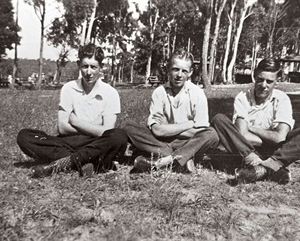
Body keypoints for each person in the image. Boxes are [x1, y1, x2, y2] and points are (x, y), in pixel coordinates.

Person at [17, 43, 128, 178]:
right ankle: (88, 161)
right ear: (78, 65)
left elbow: (107, 131)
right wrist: (95, 126)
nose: (89, 72)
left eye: (93, 67)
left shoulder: (110, 93)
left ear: (100, 67)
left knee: (119, 136)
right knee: (24, 136)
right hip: (69, 142)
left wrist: (75, 120)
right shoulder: (68, 88)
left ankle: (63, 163)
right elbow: (63, 128)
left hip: (96, 143)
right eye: (85, 66)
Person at [211, 58, 300, 184]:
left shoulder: (282, 99)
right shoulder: (243, 97)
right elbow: (242, 134)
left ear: (277, 82)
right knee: (219, 119)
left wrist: (251, 128)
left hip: (276, 149)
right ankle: (265, 166)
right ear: (254, 76)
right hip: (247, 149)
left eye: (269, 81)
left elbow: (279, 138)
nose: (263, 85)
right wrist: (269, 138)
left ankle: (264, 167)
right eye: (260, 80)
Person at [124, 49, 219, 173]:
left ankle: (163, 161)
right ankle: (186, 156)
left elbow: (201, 130)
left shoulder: (197, 93)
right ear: (169, 69)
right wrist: (189, 124)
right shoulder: (159, 92)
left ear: (190, 73)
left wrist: (167, 129)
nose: (179, 75)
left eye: (184, 71)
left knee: (211, 134)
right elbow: (157, 130)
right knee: (129, 127)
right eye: (176, 69)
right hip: (164, 142)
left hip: (187, 141)